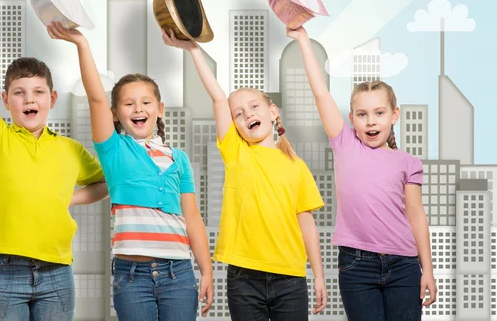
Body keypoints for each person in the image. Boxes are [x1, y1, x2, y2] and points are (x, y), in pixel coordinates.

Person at [47, 21, 214, 321]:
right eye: (128, 103)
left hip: (179, 274)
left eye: (146, 102)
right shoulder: (114, 151)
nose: (138, 109)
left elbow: (193, 219)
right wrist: (82, 44)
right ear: (115, 114)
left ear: (160, 109)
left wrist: (207, 270)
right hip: (131, 278)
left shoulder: (179, 159)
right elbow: (97, 97)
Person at [0, 16, 107, 320]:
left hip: (57, 273)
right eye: (19, 92)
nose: (29, 99)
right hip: (3, 272)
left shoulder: (71, 150)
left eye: (38, 92)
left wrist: (69, 198)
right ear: (5, 100)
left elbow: (107, 182)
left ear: (52, 98)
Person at [162, 29, 327, 320]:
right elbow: (217, 97)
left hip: (290, 278)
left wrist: (319, 274)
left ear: (272, 111)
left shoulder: (296, 165)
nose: (247, 114)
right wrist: (194, 50)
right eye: (238, 113)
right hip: (243, 279)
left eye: (254, 107)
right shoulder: (236, 152)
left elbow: (307, 224)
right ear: (234, 126)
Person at [287, 26, 437, 320]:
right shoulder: (345, 144)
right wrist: (304, 40)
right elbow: (320, 93)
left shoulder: (408, 163)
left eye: (379, 113)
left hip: (404, 266)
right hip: (357, 266)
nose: (371, 121)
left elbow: (417, 215)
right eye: (362, 114)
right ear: (351, 119)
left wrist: (427, 269)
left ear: (394, 116)